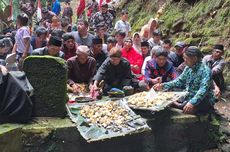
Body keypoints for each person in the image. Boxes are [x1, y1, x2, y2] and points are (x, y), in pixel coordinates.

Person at [154, 46, 216, 114]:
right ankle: (179, 104)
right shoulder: (188, 68)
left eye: (186, 58)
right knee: (170, 92)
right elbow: (179, 81)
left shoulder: (206, 70)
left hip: (203, 99)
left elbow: (203, 90)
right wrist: (163, 85)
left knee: (196, 104)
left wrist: (192, 103)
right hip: (188, 95)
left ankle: (180, 105)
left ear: (194, 58)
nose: (184, 60)